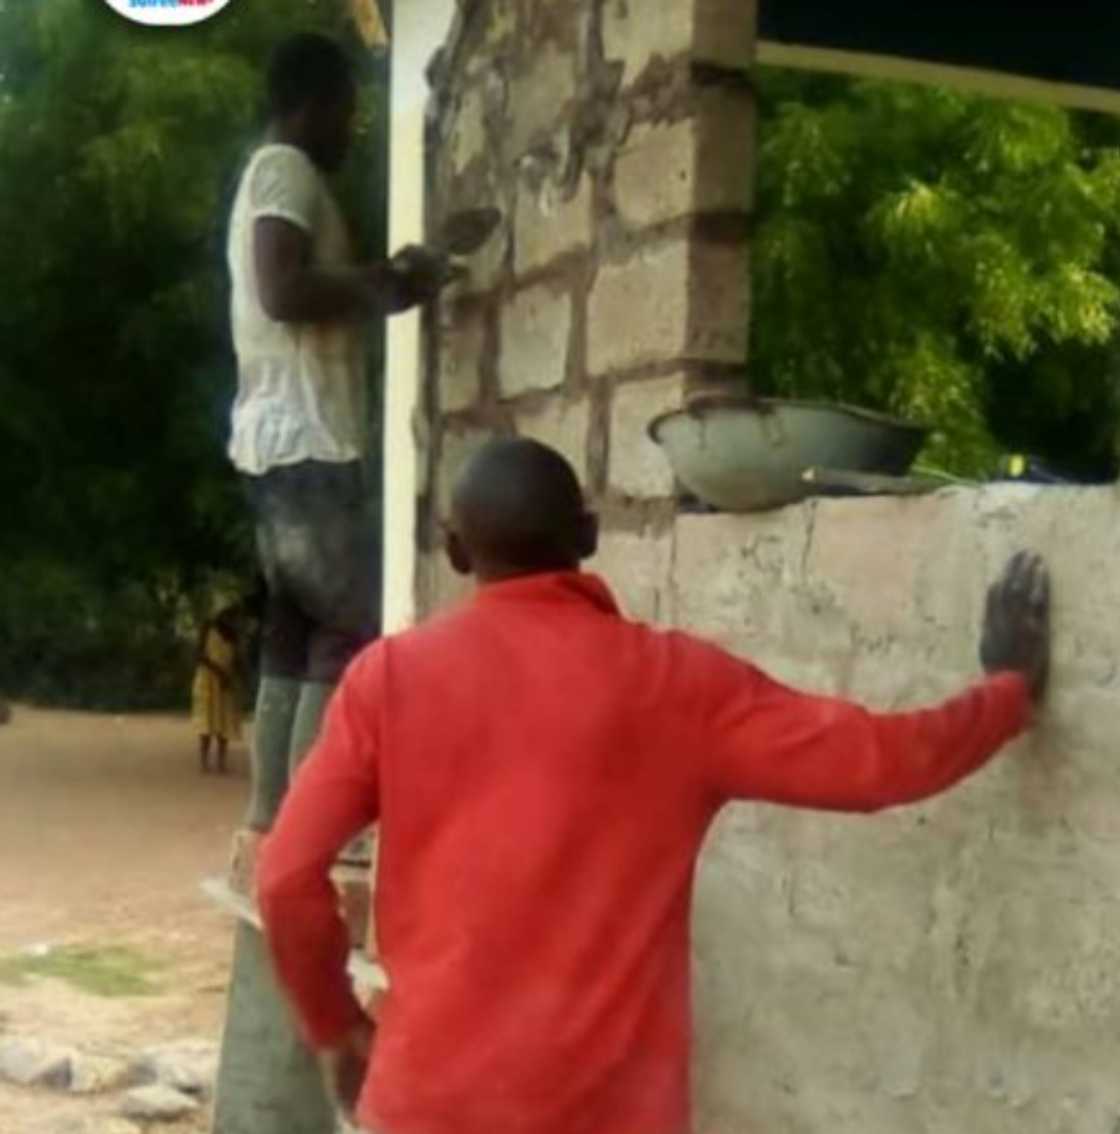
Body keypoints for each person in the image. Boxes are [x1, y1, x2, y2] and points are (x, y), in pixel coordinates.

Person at [256, 439, 1051, 1134]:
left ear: (455, 550)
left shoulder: (388, 681)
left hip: (427, 1105)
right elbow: (880, 762)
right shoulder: (678, 687)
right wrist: (1007, 692)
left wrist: (338, 1028)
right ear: (589, 536)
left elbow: (286, 878)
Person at [225, 33, 448, 884]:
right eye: (348, 112)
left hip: (272, 447)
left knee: (291, 636)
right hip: (310, 444)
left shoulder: (273, 175)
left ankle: (270, 822)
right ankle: (315, 824)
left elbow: (295, 292)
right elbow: (284, 292)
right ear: (312, 104)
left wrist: (379, 285)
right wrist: (379, 283)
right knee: (345, 629)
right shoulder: (286, 171)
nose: (352, 130)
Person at [191, 604, 243, 775]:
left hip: (225, 681)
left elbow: (237, 658)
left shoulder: (233, 635)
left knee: (224, 723)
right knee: (206, 721)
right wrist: (219, 671)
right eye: (230, 617)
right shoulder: (208, 628)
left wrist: (232, 676)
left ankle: (221, 762)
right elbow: (199, 654)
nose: (233, 621)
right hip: (208, 679)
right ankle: (204, 762)